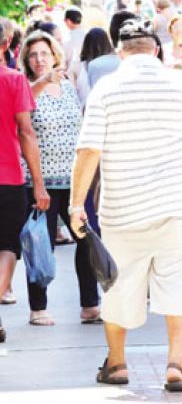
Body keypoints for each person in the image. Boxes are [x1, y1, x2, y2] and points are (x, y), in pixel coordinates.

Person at [69, 19, 182, 391]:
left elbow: (88, 150)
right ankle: (176, 365)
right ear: (156, 50)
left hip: (123, 210)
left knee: (117, 283)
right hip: (177, 208)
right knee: (179, 283)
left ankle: (117, 364)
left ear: (119, 52)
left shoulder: (107, 88)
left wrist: (76, 203)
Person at [19, 30, 100, 326]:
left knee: (88, 239)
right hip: (39, 181)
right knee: (41, 243)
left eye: (44, 53)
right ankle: (38, 307)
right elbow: (23, 119)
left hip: (73, 178)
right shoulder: (25, 87)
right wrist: (42, 82)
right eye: (33, 55)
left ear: (54, 55)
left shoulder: (67, 86)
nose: (39, 59)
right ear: (26, 60)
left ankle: (90, 304)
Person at [0, 22, 50, 340]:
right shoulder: (14, 80)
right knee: (7, 247)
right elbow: (26, 132)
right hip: (8, 178)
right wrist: (39, 184)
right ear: (7, 44)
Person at [74, 28, 120, 108]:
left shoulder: (78, 67)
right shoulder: (116, 63)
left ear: (86, 44)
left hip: (86, 112)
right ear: (107, 43)